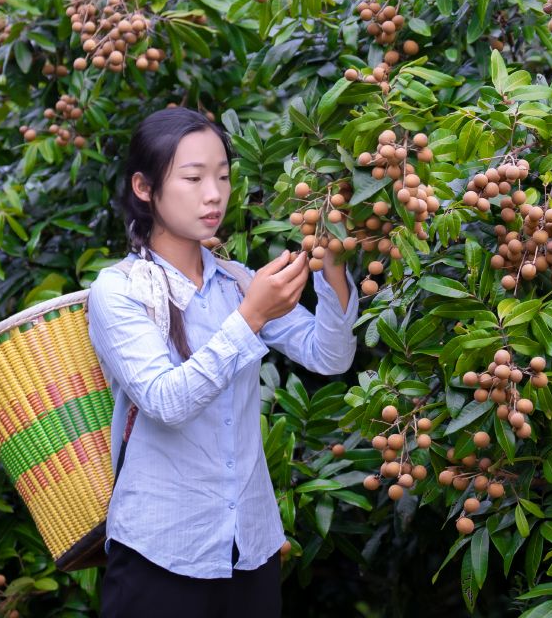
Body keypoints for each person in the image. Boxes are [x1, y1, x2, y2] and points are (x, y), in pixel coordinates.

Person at [86, 107, 359, 617]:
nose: (214, 193)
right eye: (193, 178)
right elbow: (166, 401)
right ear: (145, 188)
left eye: (224, 177)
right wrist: (251, 317)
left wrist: (334, 264)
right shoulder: (119, 290)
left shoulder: (236, 281)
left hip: (250, 550)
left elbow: (331, 355)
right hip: (158, 552)